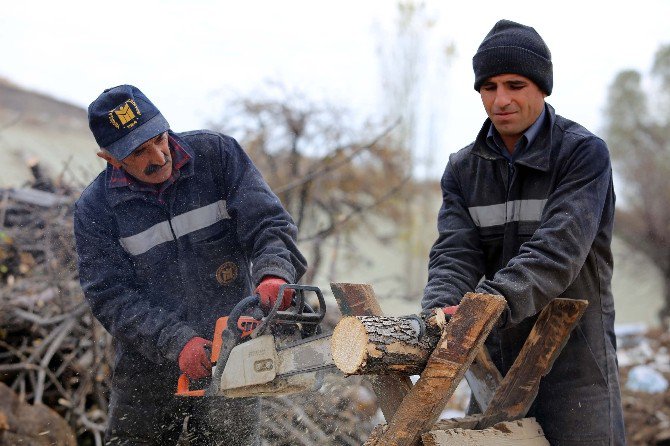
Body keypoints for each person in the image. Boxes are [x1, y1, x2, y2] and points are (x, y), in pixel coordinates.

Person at [422, 19, 624, 445]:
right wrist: (441, 310)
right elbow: (455, 253)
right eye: (489, 87)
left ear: (542, 88)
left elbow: (558, 250)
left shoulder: (582, 154)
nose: (501, 100)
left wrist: (491, 304)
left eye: (515, 85)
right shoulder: (463, 169)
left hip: (576, 365)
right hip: (496, 363)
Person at [73, 84, 307, 445]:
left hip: (233, 349)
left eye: (159, 138)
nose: (159, 156)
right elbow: (109, 295)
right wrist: (175, 341)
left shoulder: (217, 156)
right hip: (147, 367)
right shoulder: (96, 209)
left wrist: (274, 273)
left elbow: (269, 225)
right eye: (140, 151)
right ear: (110, 158)